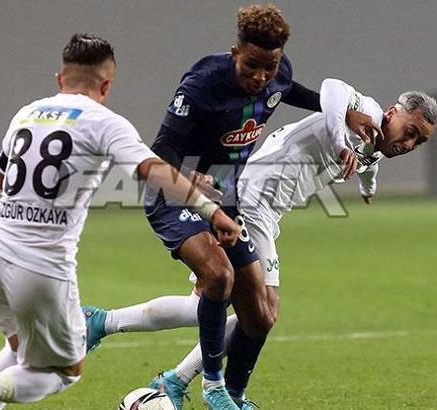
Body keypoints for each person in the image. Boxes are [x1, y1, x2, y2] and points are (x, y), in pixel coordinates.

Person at [0, 33, 240, 410]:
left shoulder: (26, 113)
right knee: (63, 372)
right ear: (106, 85)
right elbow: (154, 172)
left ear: (60, 79)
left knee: (20, 354)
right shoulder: (105, 122)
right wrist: (213, 211)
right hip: (40, 268)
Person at [83, 78, 437, 409]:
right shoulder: (369, 113)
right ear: (392, 113)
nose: (409, 144)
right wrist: (337, 139)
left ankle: (108, 326)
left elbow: (369, 162)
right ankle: (215, 389)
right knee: (263, 310)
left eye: (419, 141)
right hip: (253, 203)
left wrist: (368, 187)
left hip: (263, 208)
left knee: (207, 305)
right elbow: (332, 88)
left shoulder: (374, 145)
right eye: (410, 131)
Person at [82, 4, 321, 409]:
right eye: (251, 66)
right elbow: (162, 154)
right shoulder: (201, 85)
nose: (261, 77)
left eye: (269, 67)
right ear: (235, 52)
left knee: (259, 316)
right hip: (175, 193)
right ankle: (214, 388)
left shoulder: (277, 74)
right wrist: (192, 179)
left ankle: (231, 395)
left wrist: (338, 112)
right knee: (218, 276)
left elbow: (287, 90)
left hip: (226, 198)